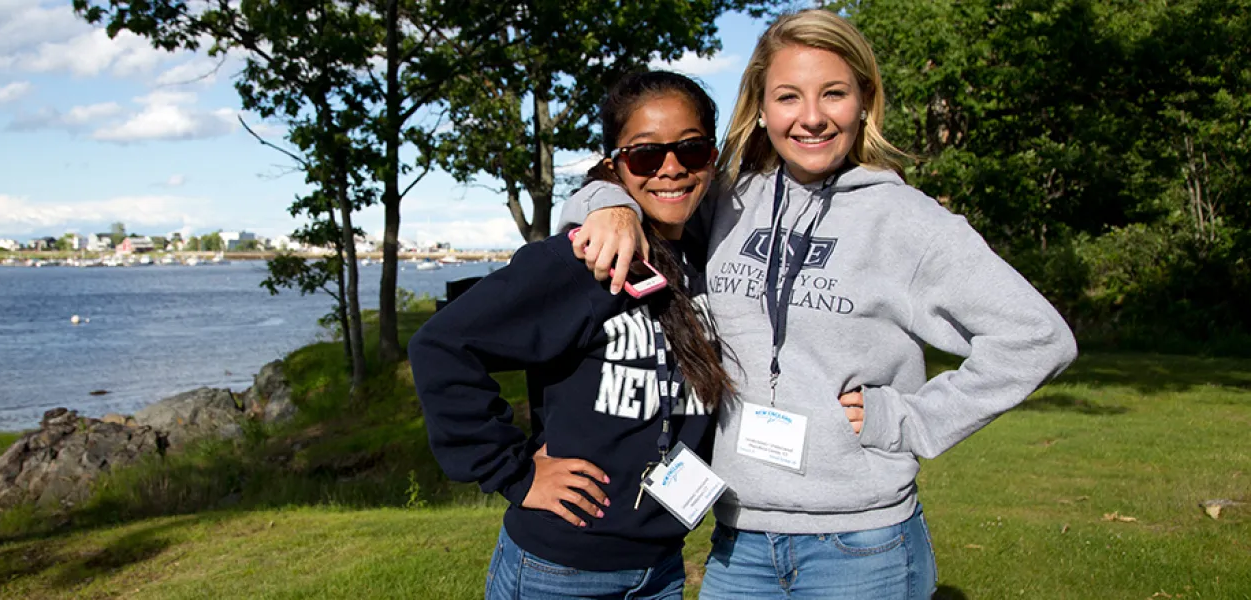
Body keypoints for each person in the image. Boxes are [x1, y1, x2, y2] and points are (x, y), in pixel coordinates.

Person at [560, 10, 1079, 600]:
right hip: (740, 541)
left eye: (833, 93)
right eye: (788, 96)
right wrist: (608, 203)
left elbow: (1037, 338)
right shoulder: (730, 198)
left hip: (861, 545)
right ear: (759, 106)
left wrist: (909, 420)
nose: (811, 117)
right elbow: (650, 189)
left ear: (863, 101)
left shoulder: (909, 223)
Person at [410, 71, 734, 599]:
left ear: (712, 158)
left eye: (691, 150)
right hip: (559, 572)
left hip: (661, 570)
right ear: (615, 167)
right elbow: (441, 346)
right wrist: (513, 473)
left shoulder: (709, 254)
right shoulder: (583, 260)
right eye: (646, 156)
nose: (671, 169)